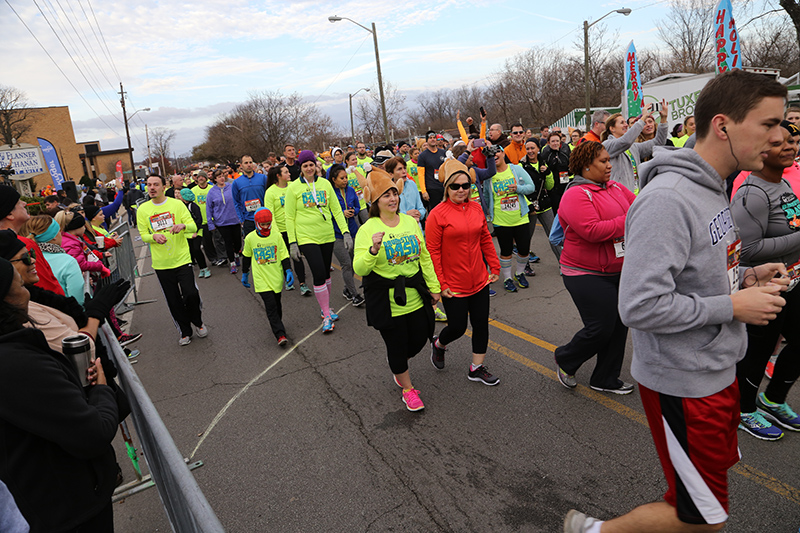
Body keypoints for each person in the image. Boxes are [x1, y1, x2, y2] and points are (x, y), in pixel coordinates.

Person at [565, 69, 789, 533]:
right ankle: (594, 531)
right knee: (702, 519)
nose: (780, 135)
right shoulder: (667, 198)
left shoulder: (715, 188)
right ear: (724, 125)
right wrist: (734, 307)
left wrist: (747, 276)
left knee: (704, 500)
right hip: (683, 381)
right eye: (768, 123)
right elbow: (640, 306)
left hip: (719, 366)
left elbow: (703, 272)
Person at [0, 256, 129, 533]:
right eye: (20, 285)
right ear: (6, 301)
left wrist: (71, 384)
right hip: (70, 511)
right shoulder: (16, 364)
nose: (27, 292)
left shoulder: (17, 352)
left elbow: (46, 410)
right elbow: (92, 433)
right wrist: (101, 389)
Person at [730, 120, 800, 440]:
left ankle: (772, 400)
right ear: (761, 149)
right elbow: (746, 252)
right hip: (763, 286)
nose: (789, 146)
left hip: (792, 281)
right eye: (779, 143)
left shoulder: (783, 185)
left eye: (792, 141)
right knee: (756, 355)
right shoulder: (751, 192)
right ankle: (744, 409)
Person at [353, 169, 441, 411]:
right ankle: (408, 389)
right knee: (397, 346)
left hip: (415, 293)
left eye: (394, 193)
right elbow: (359, 267)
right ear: (375, 201)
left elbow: (424, 256)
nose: (392, 199)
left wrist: (435, 288)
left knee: (419, 339)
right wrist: (373, 250)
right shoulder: (367, 229)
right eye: (386, 195)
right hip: (387, 300)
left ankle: (398, 363)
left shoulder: (410, 222)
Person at [553, 141, 636, 395]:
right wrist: (628, 219)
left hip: (618, 270)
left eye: (609, 160)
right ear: (586, 166)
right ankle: (566, 358)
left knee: (619, 325)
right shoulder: (575, 194)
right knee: (601, 327)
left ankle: (605, 378)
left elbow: (641, 208)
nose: (610, 166)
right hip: (584, 273)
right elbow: (592, 231)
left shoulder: (617, 188)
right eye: (604, 161)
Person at [426, 158, 501, 384]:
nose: (461, 190)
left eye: (465, 186)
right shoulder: (437, 214)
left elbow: (485, 238)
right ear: (446, 188)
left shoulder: (477, 207)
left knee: (481, 324)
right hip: (453, 283)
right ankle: (439, 344)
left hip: (479, 278)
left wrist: (494, 265)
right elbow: (432, 252)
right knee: (458, 327)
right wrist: (441, 284)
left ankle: (476, 367)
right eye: (455, 186)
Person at [284, 150, 352, 333]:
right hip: (306, 237)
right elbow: (289, 217)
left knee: (327, 275)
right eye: (305, 165)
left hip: (327, 235)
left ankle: (326, 308)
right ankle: (326, 315)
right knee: (318, 273)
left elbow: (336, 210)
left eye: (311, 164)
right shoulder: (293, 188)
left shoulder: (325, 184)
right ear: (300, 167)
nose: (309, 168)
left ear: (316, 165)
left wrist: (345, 232)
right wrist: (293, 242)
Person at [137, 175, 208, 346]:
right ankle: (185, 331)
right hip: (162, 263)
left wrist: (183, 226)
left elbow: (192, 226)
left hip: (182, 259)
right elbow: (143, 235)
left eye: (155, 184)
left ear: (163, 186)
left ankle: (198, 322)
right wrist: (154, 236)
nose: (152, 187)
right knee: (173, 299)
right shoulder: (143, 209)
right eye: (149, 185)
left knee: (190, 293)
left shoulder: (176, 204)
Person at [481, 147, 535, 292]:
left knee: (524, 250)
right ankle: (507, 278)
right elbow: (486, 197)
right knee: (506, 251)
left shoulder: (516, 169)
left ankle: (519, 273)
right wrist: (485, 215)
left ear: (503, 153)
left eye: (497, 152)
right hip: (500, 219)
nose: (495, 155)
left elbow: (531, 187)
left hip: (520, 217)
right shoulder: (489, 176)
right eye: (491, 154)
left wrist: (518, 188)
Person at [0, 185, 64, 296]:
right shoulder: (23, 245)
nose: (24, 204)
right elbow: (46, 287)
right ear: (9, 214)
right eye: (19, 202)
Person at [242, 208, 290, 346]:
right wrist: (245, 273)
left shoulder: (276, 236)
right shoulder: (250, 238)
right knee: (270, 306)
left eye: (268, 223)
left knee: (277, 304)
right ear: (257, 223)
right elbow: (246, 256)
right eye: (262, 224)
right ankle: (280, 334)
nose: (265, 227)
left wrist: (288, 271)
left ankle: (277, 322)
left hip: (275, 276)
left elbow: (284, 255)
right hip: (261, 278)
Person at [601, 102, 669, 195]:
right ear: (612, 128)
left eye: (625, 122)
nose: (626, 125)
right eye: (622, 123)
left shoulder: (634, 147)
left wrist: (663, 119)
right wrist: (643, 118)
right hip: (618, 196)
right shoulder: (607, 145)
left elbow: (658, 142)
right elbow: (625, 142)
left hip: (635, 196)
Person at [23, 214, 90, 305]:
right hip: (64, 313)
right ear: (54, 236)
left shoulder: (26, 259)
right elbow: (78, 299)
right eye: (59, 231)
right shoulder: (68, 261)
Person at [265, 165, 310, 295]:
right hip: (280, 230)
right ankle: (287, 280)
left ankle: (302, 284)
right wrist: (277, 232)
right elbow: (270, 213)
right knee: (284, 257)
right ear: (278, 176)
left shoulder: (293, 186)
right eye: (286, 172)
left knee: (297, 256)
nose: (289, 173)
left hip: (295, 228)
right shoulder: (271, 192)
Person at [327, 164, 364, 307]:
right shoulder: (330, 193)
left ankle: (347, 289)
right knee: (346, 264)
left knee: (354, 263)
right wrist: (340, 213)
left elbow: (358, 207)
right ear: (333, 179)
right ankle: (355, 295)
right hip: (336, 234)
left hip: (353, 230)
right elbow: (326, 212)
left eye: (346, 177)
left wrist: (353, 211)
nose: (345, 180)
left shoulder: (350, 190)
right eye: (341, 178)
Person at [231, 155, 269, 288]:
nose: (248, 165)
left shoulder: (263, 178)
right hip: (248, 220)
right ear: (241, 165)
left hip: (264, 220)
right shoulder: (236, 182)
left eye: (250, 162)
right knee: (252, 248)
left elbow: (268, 196)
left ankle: (269, 270)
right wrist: (241, 219)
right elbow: (236, 202)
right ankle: (256, 274)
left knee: (267, 246)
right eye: (246, 163)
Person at [520, 139, 560, 261]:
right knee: (526, 238)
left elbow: (550, 186)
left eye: (533, 148)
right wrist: (528, 205)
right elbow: (521, 189)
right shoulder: (521, 166)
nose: (530, 151)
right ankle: (525, 265)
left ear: (538, 149)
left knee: (554, 235)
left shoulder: (543, 163)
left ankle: (563, 263)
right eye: (528, 149)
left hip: (545, 204)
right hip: (529, 207)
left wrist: (548, 174)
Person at [206, 169, 243, 276]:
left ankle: (236, 255)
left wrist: (242, 216)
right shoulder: (212, 192)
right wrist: (210, 223)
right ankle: (232, 263)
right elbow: (209, 208)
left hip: (235, 219)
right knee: (227, 242)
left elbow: (239, 201)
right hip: (221, 222)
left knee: (237, 242)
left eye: (222, 175)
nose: (221, 178)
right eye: (218, 177)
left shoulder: (231, 187)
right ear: (215, 179)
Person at [179, 188, 210, 278]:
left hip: (197, 231)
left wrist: (195, 231)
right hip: (187, 232)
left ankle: (205, 268)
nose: (179, 196)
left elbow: (199, 219)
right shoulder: (182, 206)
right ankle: (201, 269)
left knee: (197, 249)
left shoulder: (193, 206)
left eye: (181, 195)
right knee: (192, 250)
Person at [191, 171, 220, 267]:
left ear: (206, 178)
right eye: (199, 177)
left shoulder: (212, 189)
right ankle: (213, 259)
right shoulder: (193, 191)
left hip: (214, 219)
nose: (201, 178)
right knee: (207, 243)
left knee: (218, 240)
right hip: (202, 221)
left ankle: (221, 256)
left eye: (203, 177)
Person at [385, 157, 426, 224]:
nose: (404, 172)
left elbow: (421, 208)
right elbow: (387, 215)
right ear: (391, 174)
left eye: (404, 168)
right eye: (399, 169)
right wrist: (406, 214)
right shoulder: (387, 189)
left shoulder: (412, 184)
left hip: (415, 226)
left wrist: (418, 214)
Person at [540, 132, 571, 213]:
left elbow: (570, 168)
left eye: (557, 141)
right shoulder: (545, 155)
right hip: (552, 189)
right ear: (548, 142)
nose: (555, 143)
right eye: (553, 141)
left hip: (565, 186)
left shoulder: (564, 153)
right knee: (556, 211)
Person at [417, 132, 447, 212]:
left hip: (444, 187)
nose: (433, 139)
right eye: (430, 138)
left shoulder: (443, 153)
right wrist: (424, 191)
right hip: (432, 189)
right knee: (435, 212)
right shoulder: (422, 156)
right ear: (427, 141)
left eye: (434, 137)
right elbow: (421, 175)